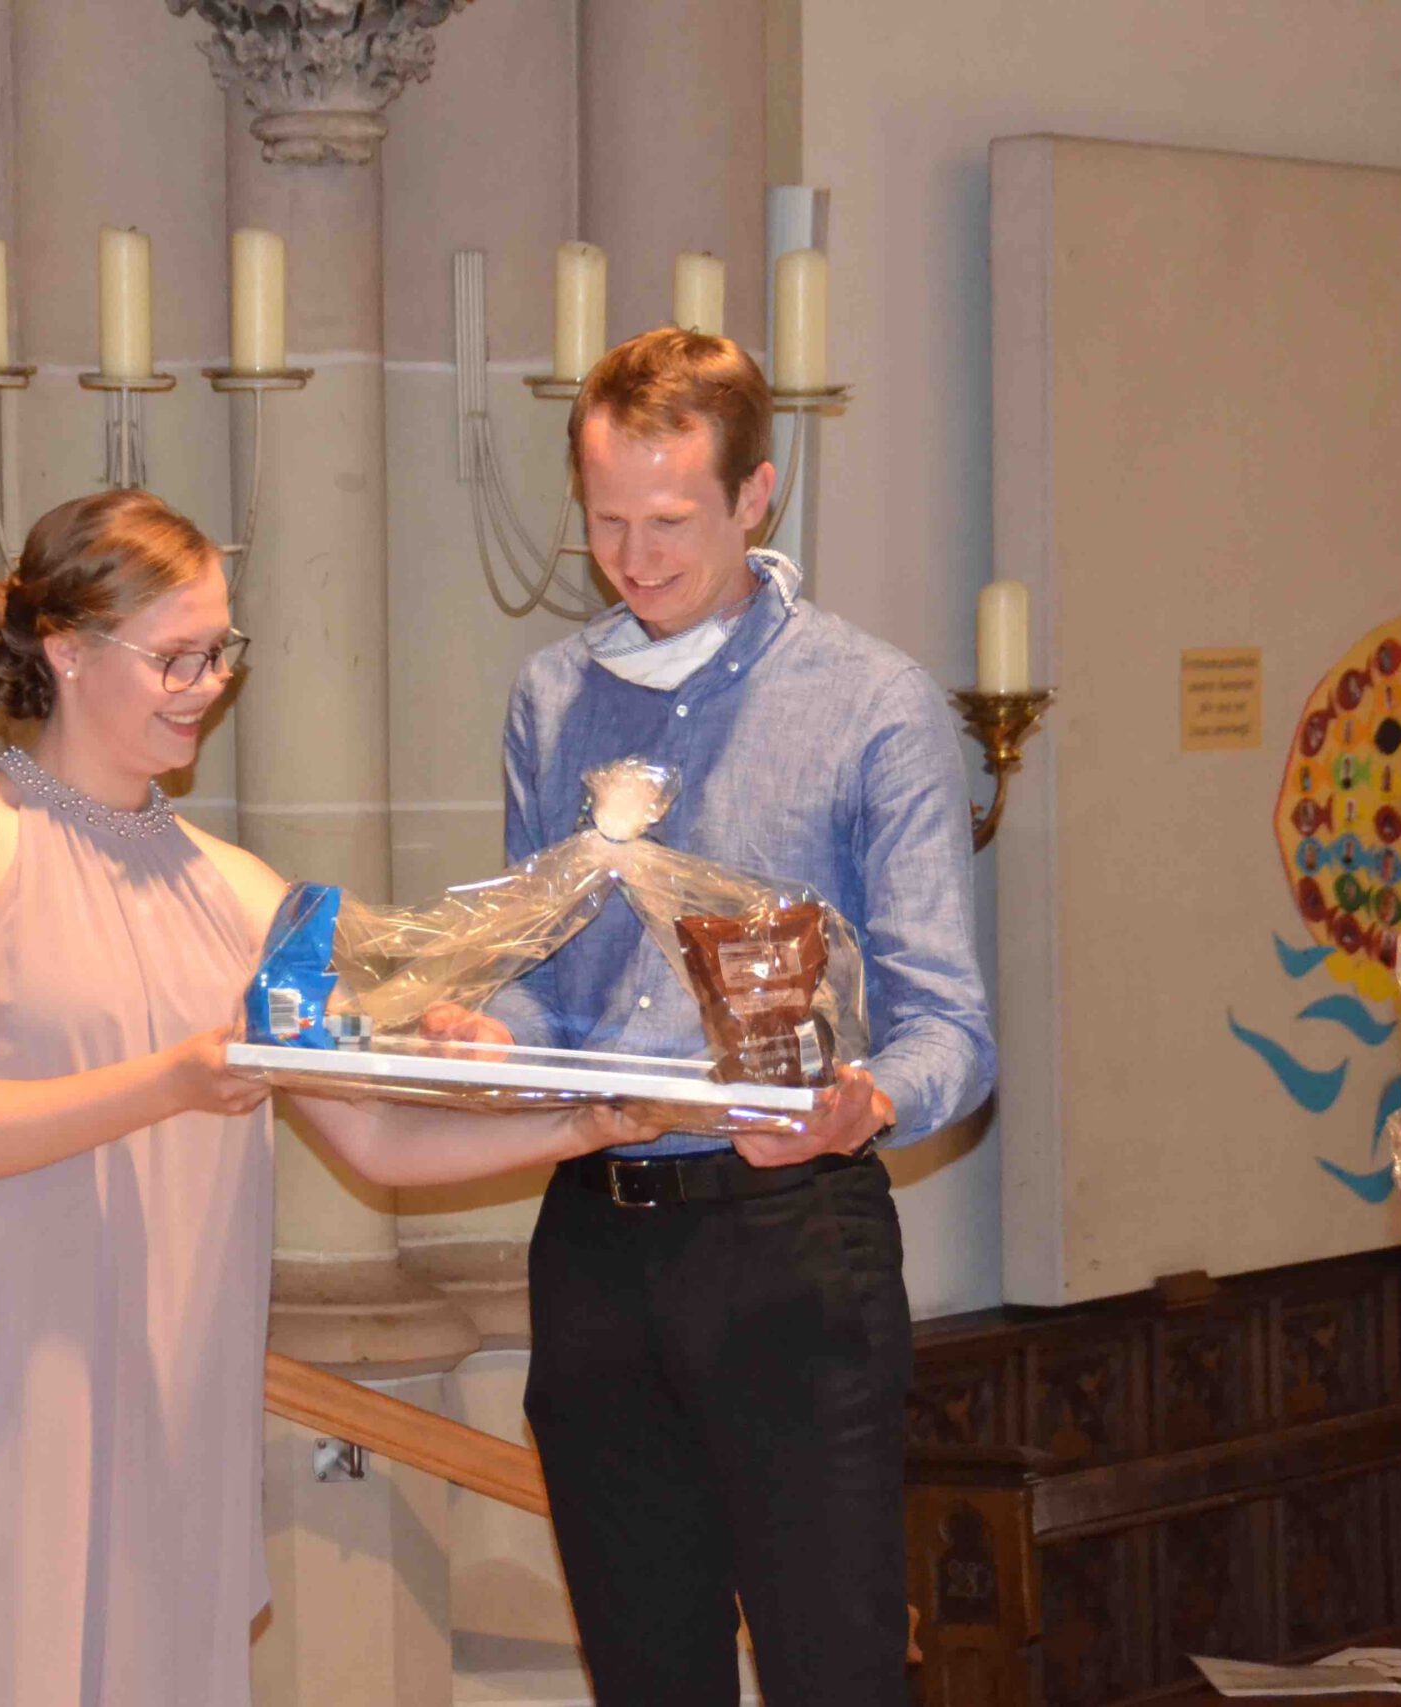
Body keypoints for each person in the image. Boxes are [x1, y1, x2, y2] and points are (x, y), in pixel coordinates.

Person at [0, 489, 660, 1707]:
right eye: (177, 656)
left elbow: (376, 1138)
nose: (207, 685)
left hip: (163, 1374)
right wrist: (174, 1078)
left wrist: (573, 1121)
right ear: (66, 649)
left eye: (221, 652)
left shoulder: (241, 891)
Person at [437, 327, 996, 1704]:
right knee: (644, 1676)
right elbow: (541, 970)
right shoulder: (551, 697)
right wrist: (493, 1030)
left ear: (755, 496)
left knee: (831, 1673)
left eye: (670, 521)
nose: (633, 559)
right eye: (605, 520)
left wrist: (865, 1102)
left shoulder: (872, 703)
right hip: (593, 1234)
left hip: (787, 1234)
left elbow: (951, 1028)